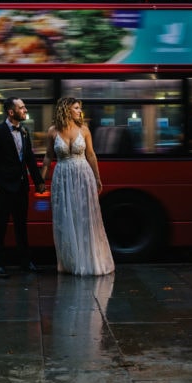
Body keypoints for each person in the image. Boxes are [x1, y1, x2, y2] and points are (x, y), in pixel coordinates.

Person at [40, 97, 115, 276]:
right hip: (62, 177)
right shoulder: (52, 131)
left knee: (84, 217)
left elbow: (91, 155)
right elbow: (48, 157)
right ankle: (70, 262)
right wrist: (41, 180)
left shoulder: (84, 130)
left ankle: (87, 261)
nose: (79, 111)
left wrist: (97, 178)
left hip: (83, 176)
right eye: (76, 108)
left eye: (79, 108)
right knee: (65, 218)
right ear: (66, 110)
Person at [0, 97, 47, 278]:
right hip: (4, 188)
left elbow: (29, 160)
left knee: (21, 226)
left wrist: (39, 181)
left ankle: (25, 262)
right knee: (0, 227)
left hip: (21, 187)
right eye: (22, 107)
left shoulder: (25, 131)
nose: (25, 110)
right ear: (11, 112)